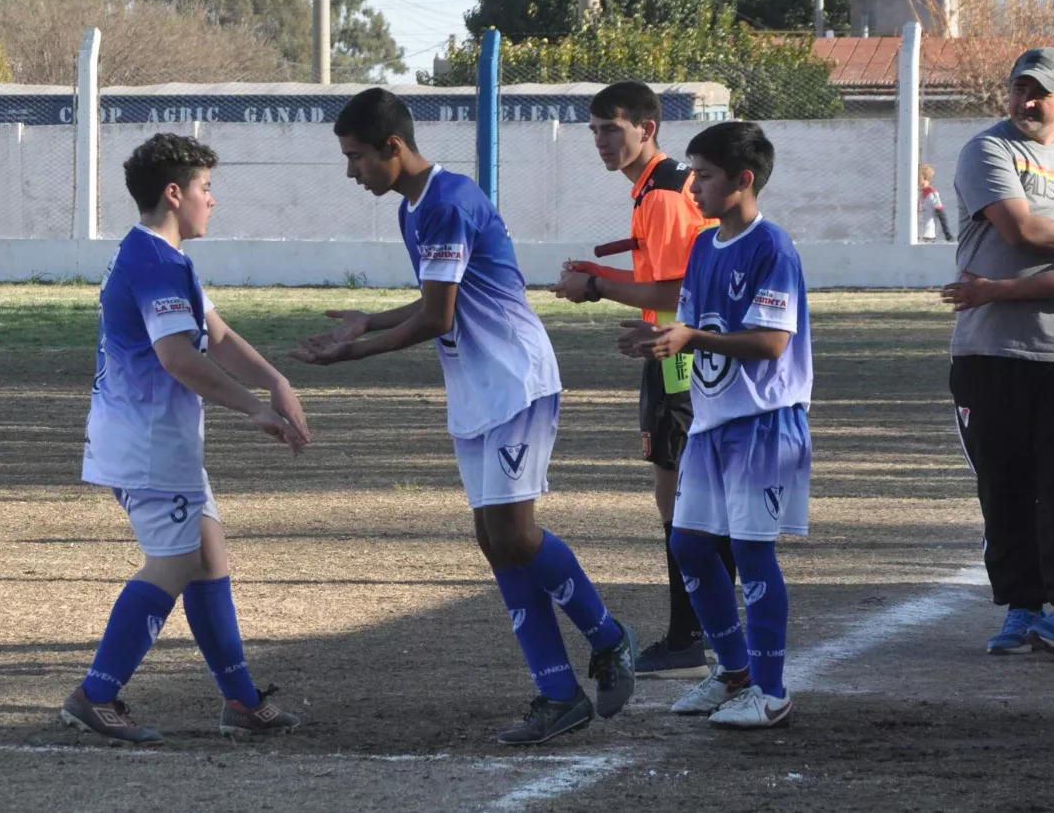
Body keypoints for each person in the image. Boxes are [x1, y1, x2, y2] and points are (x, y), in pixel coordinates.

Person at [290, 88, 637, 745]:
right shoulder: (415, 208)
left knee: (517, 536)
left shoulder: (446, 202)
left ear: (393, 147)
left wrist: (353, 352)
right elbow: (432, 300)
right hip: (477, 388)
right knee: (496, 541)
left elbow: (438, 317)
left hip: (513, 380)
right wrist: (370, 317)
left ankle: (610, 637)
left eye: (356, 156)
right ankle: (558, 692)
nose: (351, 171)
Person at [61, 133, 311, 744]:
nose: (212, 200)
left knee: (208, 558)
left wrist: (275, 380)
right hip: (148, 444)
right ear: (174, 194)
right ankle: (96, 693)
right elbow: (177, 357)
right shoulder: (154, 262)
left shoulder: (165, 259)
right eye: (205, 188)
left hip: (159, 440)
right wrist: (252, 407)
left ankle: (242, 701)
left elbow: (215, 335)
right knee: (176, 563)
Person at [617, 121, 812, 728]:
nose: (693, 185)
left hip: (762, 423)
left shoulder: (771, 247)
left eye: (704, 174)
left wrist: (690, 336)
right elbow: (697, 322)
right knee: (690, 546)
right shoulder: (704, 246)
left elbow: (771, 342)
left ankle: (772, 693)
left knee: (753, 555)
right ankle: (733, 675)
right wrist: (663, 339)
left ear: (743, 180)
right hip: (711, 423)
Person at [551, 80, 736, 680]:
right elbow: (669, 280)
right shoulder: (660, 185)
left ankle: (694, 636)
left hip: (682, 361)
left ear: (647, 128)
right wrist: (601, 273)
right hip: (681, 353)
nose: (602, 141)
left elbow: (678, 290)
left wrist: (597, 286)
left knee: (680, 494)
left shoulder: (661, 193)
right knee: (687, 492)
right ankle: (706, 632)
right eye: (595, 130)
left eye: (613, 129)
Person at [944, 47, 1054, 658]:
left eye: (1040, 92)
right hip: (990, 351)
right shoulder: (987, 150)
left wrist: (998, 287)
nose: (1027, 101)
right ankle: (1021, 608)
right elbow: (1020, 228)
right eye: (1019, 88)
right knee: (1005, 485)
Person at [919, 163, 954, 242]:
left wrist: (947, 234)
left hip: (927, 235)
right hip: (914, 234)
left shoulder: (932, 193)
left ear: (926, 179)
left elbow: (941, 213)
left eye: (920, 180)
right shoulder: (915, 193)